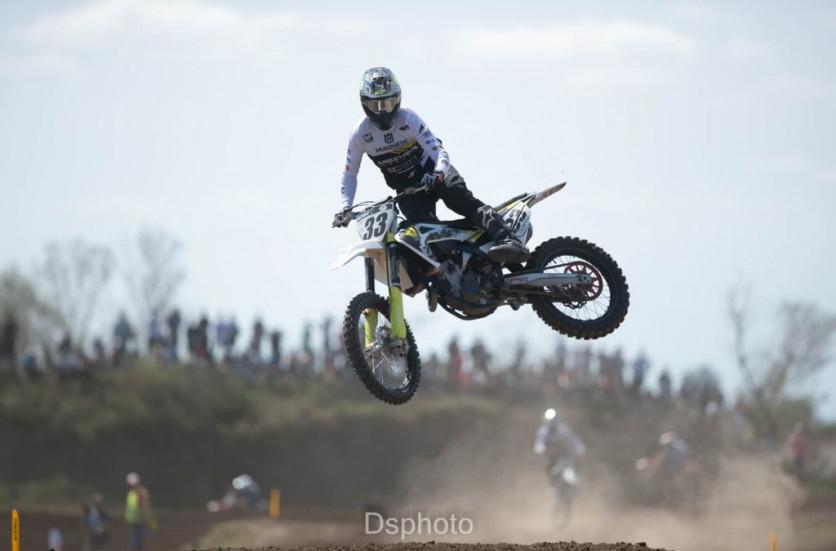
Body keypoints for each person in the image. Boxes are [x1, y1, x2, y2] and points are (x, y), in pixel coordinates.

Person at [332, 67, 529, 264]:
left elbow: (438, 151)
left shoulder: (408, 118)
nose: (383, 111)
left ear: (398, 99)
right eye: (376, 106)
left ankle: (507, 237)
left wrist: (439, 173)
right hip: (408, 190)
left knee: (459, 199)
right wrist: (345, 208)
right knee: (422, 236)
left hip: (434, 173)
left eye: (389, 103)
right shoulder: (360, 134)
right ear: (364, 104)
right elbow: (350, 174)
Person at [124, 472, 154, 551]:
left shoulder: (139, 493)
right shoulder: (133, 493)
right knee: (138, 537)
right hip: (134, 519)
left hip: (140, 519)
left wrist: (146, 519)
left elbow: (142, 506)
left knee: (138, 538)